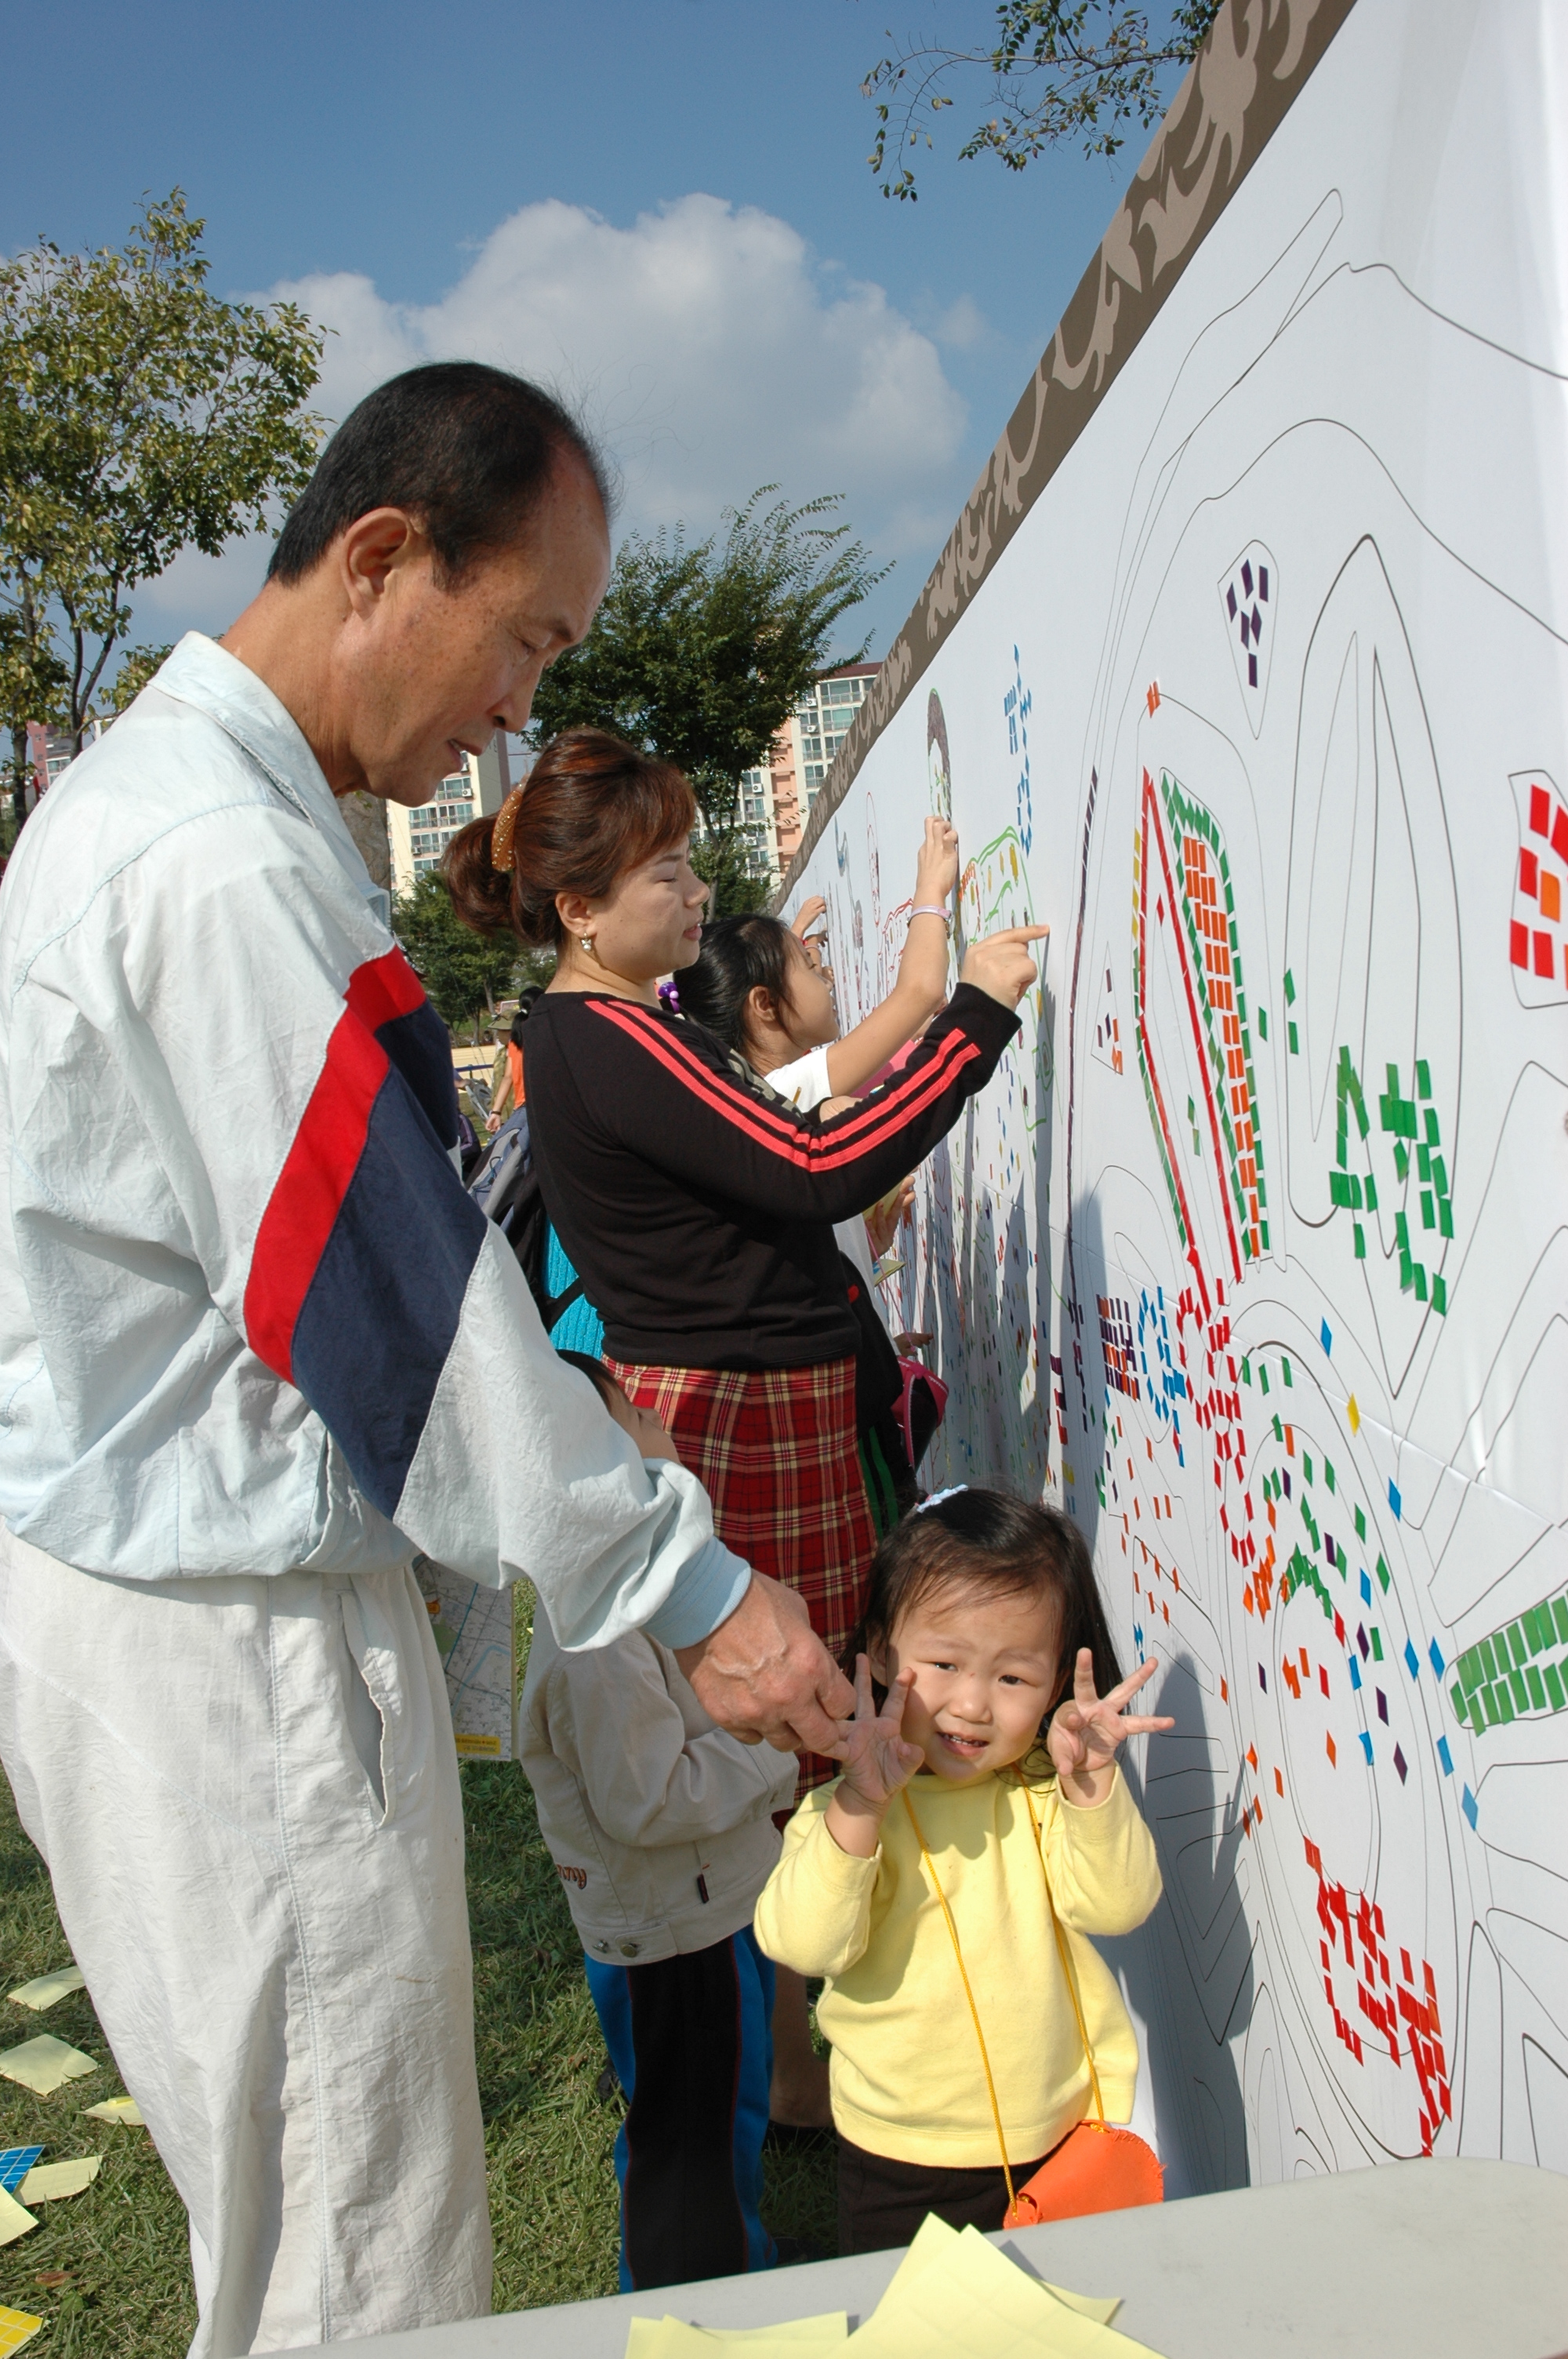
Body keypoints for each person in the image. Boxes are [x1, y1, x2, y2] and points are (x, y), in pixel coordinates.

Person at [0, 362, 852, 2359]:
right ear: (382, 557)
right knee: (351, 2271)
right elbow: (402, 1306)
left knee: (315, 2224)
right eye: (525, 639)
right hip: (234, 1645)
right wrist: (689, 1587)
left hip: (205, 1608)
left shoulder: (186, 819)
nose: (514, 713)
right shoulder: (208, 864)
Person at [445, 729, 1043, 2128]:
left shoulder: (608, 1030)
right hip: (726, 1421)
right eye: (667, 867)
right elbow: (819, 1162)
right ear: (583, 908)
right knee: (783, 1723)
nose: (695, 889)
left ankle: (779, 2056)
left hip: (743, 1408)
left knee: (791, 1724)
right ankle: (769, 2066)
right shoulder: (603, 1035)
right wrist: (976, 1019)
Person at [753, 1487, 1172, 2256]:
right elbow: (804, 1944)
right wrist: (857, 1807)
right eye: (943, 1663)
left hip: (1053, 2137)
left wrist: (1090, 1786)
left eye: (1013, 1678)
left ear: (1053, 1683)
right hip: (896, 2154)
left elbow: (1118, 1904)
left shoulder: (1046, 1796)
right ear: (880, 1650)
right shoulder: (846, 1810)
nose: (974, 1703)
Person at [519, 1354, 797, 2292]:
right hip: (676, 1936)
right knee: (693, 2130)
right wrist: (772, 1749)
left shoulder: (629, 1602)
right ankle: (698, 2307)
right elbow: (646, 1798)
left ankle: (734, 2265)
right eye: (634, 1413)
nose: (657, 1419)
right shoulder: (592, 1636)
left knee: (725, 2105)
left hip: (709, 1908)